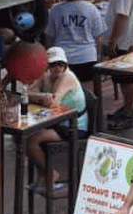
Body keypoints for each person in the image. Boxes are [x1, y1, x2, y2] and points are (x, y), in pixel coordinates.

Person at [26, 46, 88, 189]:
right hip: (56, 122)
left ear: (65, 65)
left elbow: (53, 102)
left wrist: (40, 98)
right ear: (47, 66)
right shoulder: (45, 75)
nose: (58, 68)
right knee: (26, 137)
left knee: (31, 141)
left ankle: (50, 174)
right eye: (53, 64)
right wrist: (41, 96)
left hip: (73, 126)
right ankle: (44, 176)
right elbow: (27, 93)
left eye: (61, 64)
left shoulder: (67, 77)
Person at [101, 0, 133, 130]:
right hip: (131, 37)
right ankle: (127, 107)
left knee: (126, 79)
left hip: (124, 41)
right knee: (125, 78)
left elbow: (122, 16)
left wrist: (113, 41)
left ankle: (128, 112)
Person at [44, 0, 104, 85]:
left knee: (64, 89)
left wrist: (50, 58)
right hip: (87, 56)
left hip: (64, 57)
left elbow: (49, 37)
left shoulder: (56, 9)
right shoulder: (91, 8)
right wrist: (99, 56)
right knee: (87, 91)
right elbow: (99, 37)